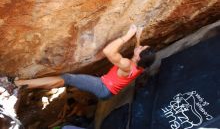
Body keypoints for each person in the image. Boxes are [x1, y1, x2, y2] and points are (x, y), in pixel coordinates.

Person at [15, 25, 155, 99]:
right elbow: (138, 50)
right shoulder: (141, 66)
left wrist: (127, 36)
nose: (140, 46)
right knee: (69, 80)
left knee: (67, 78)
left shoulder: (126, 65)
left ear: (139, 57)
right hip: (108, 92)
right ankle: (23, 85)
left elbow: (108, 51)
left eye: (142, 47)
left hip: (103, 87)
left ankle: (18, 84)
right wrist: (138, 37)